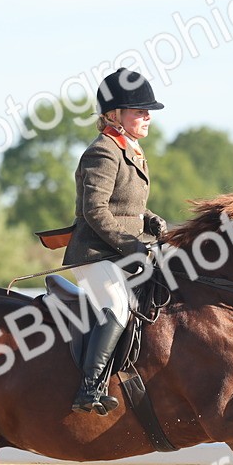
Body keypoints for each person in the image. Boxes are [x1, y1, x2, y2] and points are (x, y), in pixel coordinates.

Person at [59, 67, 167, 415]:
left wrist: (148, 219)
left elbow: (126, 204)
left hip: (119, 252)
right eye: (139, 110)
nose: (147, 115)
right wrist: (130, 243)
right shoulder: (102, 151)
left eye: (147, 110)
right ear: (113, 115)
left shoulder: (130, 150)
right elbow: (95, 210)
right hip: (94, 255)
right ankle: (89, 387)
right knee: (118, 305)